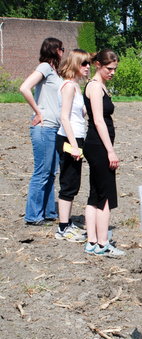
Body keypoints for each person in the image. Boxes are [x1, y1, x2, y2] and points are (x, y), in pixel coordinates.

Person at [83, 49, 124, 256]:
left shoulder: (97, 86)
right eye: (109, 68)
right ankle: (102, 244)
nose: (113, 72)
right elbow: (98, 121)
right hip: (99, 146)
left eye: (115, 69)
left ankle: (91, 241)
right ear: (98, 64)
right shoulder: (96, 87)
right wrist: (111, 151)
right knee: (105, 195)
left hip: (95, 144)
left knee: (95, 194)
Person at [19, 37, 64, 225]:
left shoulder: (55, 72)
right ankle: (33, 215)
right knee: (42, 172)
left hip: (54, 128)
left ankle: (48, 212)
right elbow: (24, 88)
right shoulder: (45, 67)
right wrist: (38, 111)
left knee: (51, 172)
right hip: (44, 128)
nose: (63, 52)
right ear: (54, 50)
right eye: (61, 49)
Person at [54, 49, 91, 242]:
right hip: (69, 140)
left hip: (77, 138)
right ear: (75, 65)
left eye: (88, 64)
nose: (87, 67)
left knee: (73, 183)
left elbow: (80, 114)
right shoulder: (68, 86)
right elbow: (64, 118)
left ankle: (67, 224)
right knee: (68, 184)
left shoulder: (76, 86)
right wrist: (74, 146)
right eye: (83, 64)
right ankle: (62, 228)